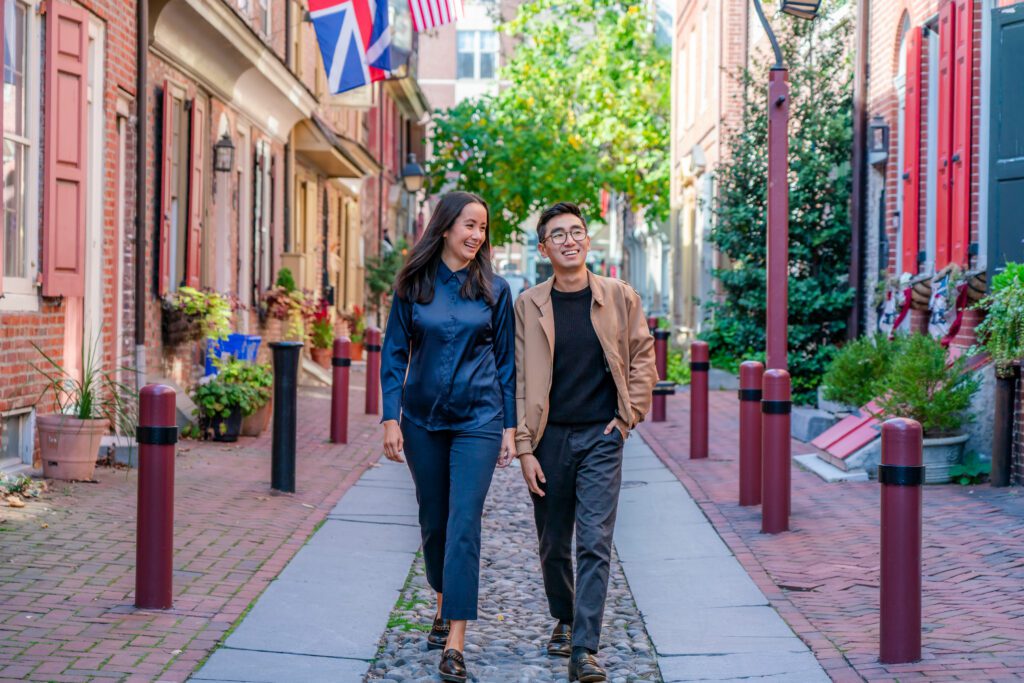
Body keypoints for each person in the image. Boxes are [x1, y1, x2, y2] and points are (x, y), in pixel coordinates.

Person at [514, 202, 657, 682]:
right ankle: (566, 614)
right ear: (544, 248)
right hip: (549, 438)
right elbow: (518, 379)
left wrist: (626, 417)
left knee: (594, 541)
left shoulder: (619, 296)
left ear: (587, 241)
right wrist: (524, 448)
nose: (570, 240)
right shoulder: (529, 304)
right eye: (559, 235)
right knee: (553, 543)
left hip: (601, 436)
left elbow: (642, 356)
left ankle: (584, 649)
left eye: (577, 232)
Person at [379, 191, 517, 683]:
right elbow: (394, 353)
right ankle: (440, 600)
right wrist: (389, 417)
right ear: (444, 228)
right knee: (434, 522)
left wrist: (509, 427)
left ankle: (456, 641)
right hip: (421, 421)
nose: (477, 235)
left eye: (483, 227)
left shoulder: (496, 291)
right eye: (470, 225)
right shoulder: (412, 285)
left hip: (478, 421)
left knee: (463, 524)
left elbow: (507, 364)